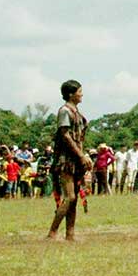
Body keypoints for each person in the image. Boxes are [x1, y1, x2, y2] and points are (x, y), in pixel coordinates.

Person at [47, 79, 92, 241]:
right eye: (79, 91)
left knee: (74, 200)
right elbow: (65, 135)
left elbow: (79, 137)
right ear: (71, 94)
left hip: (76, 158)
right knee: (69, 197)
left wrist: (83, 155)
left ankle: (70, 235)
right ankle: (52, 233)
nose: (82, 94)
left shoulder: (77, 112)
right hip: (66, 159)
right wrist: (81, 155)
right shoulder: (65, 111)